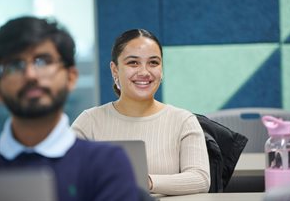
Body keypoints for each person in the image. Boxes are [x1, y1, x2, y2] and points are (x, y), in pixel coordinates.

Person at [0, 16, 140, 201]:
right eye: (15, 65)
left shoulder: (107, 164)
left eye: (43, 61)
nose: (31, 75)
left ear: (71, 77)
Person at [71, 29, 210, 195]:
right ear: (115, 70)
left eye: (153, 63)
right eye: (133, 63)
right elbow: (66, 176)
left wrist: (146, 181)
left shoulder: (183, 120)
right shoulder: (89, 121)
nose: (144, 72)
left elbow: (200, 179)